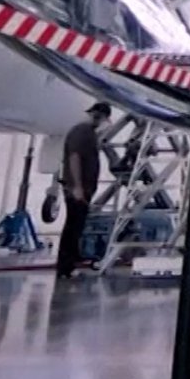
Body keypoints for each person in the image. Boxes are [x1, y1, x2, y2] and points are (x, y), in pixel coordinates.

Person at [55, 101, 110, 280]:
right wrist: (77, 186)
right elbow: (74, 157)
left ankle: (73, 258)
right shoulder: (82, 132)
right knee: (73, 225)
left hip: (83, 188)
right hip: (76, 189)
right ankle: (65, 265)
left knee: (77, 225)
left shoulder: (89, 133)